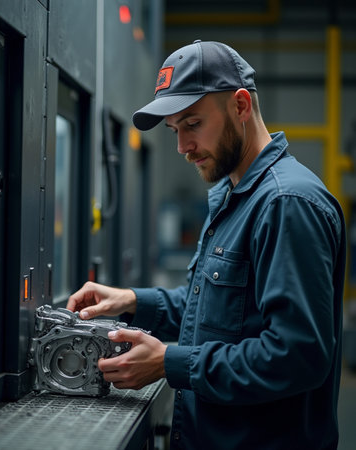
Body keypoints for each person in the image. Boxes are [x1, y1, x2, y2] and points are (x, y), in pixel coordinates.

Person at [67, 40, 346, 449]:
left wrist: (169, 362)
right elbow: (220, 311)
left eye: (193, 124)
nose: (182, 147)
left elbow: (296, 356)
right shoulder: (232, 196)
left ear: (241, 106)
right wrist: (129, 301)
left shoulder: (287, 203)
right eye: (175, 130)